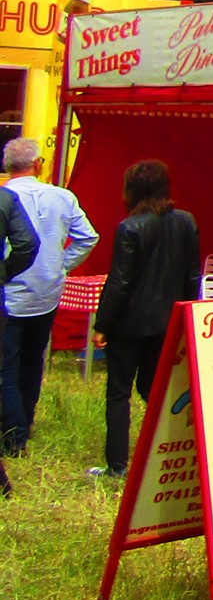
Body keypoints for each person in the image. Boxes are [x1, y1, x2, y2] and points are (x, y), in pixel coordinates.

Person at [90, 160, 201, 479]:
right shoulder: (186, 221)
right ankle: (168, 452)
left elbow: (120, 281)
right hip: (168, 319)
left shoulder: (130, 226)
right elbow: (193, 274)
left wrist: (102, 325)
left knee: (119, 392)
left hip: (130, 323)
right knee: (154, 388)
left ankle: (117, 465)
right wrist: (188, 313)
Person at [1, 137, 98, 454]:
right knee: (32, 361)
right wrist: (60, 265)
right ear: (39, 164)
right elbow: (88, 238)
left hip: (9, 291)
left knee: (6, 367)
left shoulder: (4, 197)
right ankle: (24, 424)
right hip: (47, 291)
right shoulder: (63, 196)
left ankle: (13, 436)